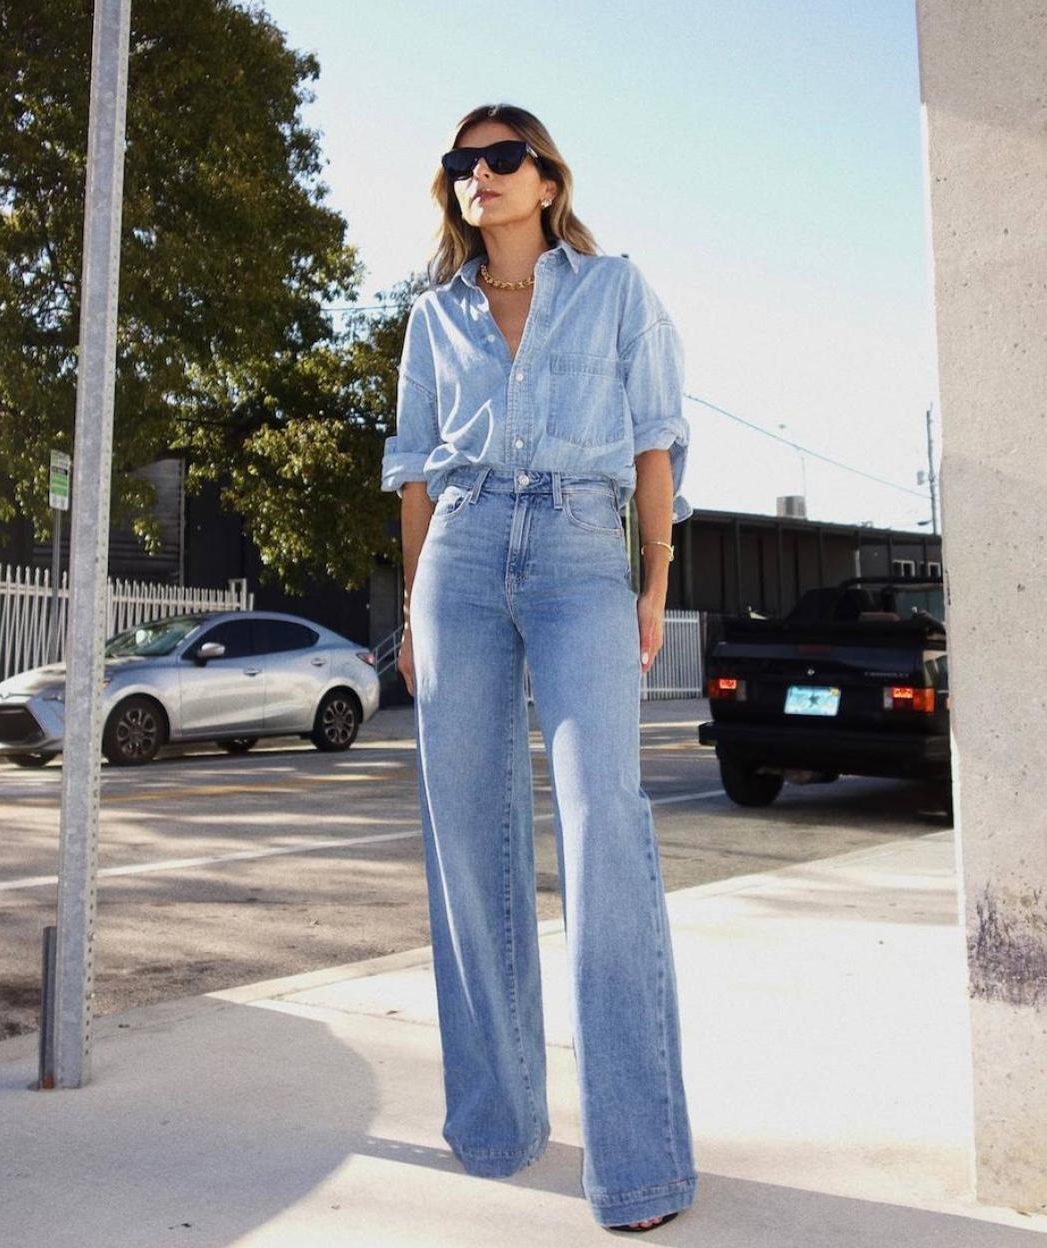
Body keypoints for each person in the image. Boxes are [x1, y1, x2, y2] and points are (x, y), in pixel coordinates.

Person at [380, 101, 697, 1233]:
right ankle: (498, 1123)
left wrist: (652, 581)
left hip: (577, 557)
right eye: (464, 164)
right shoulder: (433, 318)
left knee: (604, 830)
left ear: (548, 179)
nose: (483, 176)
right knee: (467, 843)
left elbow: (657, 440)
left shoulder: (615, 292)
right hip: (458, 558)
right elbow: (417, 472)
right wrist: (415, 609)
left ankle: (641, 1165)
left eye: (503, 158)